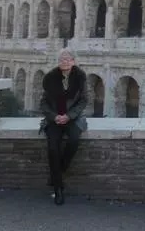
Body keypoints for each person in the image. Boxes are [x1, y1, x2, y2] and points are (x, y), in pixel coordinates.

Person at [39, 48, 88, 205]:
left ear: (73, 62)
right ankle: (58, 189)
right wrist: (54, 117)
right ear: (58, 62)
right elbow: (43, 102)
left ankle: (57, 173)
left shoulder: (80, 78)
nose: (64, 61)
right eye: (61, 59)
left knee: (73, 141)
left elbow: (83, 101)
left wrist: (69, 116)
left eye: (67, 59)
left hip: (72, 118)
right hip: (54, 118)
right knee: (53, 148)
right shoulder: (51, 78)